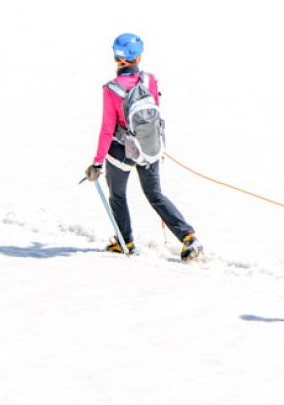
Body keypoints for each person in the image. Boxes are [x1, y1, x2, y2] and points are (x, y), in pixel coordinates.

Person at [82, 33, 204, 262]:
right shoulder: (150, 80)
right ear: (139, 56)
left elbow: (107, 129)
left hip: (121, 150)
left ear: (116, 57)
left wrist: (97, 162)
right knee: (155, 195)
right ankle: (188, 237)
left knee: (117, 195)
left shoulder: (111, 89)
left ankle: (125, 241)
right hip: (149, 147)